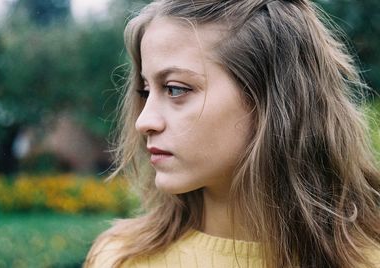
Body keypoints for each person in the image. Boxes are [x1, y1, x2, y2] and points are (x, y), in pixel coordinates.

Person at [85, 0, 380, 267]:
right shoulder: (119, 259)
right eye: (146, 91)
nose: (144, 121)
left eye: (175, 89)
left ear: (272, 100)